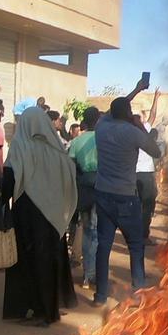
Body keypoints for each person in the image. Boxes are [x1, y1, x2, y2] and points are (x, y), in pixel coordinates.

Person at [1, 103, 77, 325]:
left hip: (27, 214)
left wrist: (2, 200)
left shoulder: (20, 147)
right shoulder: (59, 152)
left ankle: (29, 308)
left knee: (26, 262)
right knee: (48, 263)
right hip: (54, 217)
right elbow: (71, 183)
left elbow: (9, 178)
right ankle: (48, 311)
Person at [92, 78, 156, 305]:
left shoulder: (101, 127)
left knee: (104, 246)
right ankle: (138, 293)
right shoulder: (133, 132)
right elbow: (156, 151)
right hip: (126, 197)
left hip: (103, 194)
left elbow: (115, 109)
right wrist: (139, 126)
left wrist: (137, 89)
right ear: (128, 113)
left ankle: (100, 296)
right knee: (135, 245)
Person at [67, 106, 100, 290]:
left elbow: (71, 166)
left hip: (83, 187)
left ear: (85, 121)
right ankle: (95, 274)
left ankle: (88, 275)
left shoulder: (77, 141)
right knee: (99, 231)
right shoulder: (104, 139)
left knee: (87, 229)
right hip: (102, 186)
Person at [133, 91, 163, 244]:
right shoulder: (144, 130)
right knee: (147, 206)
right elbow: (153, 115)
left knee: (135, 206)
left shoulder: (128, 133)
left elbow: (151, 115)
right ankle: (143, 236)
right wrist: (156, 98)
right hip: (145, 175)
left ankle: (135, 234)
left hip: (133, 175)